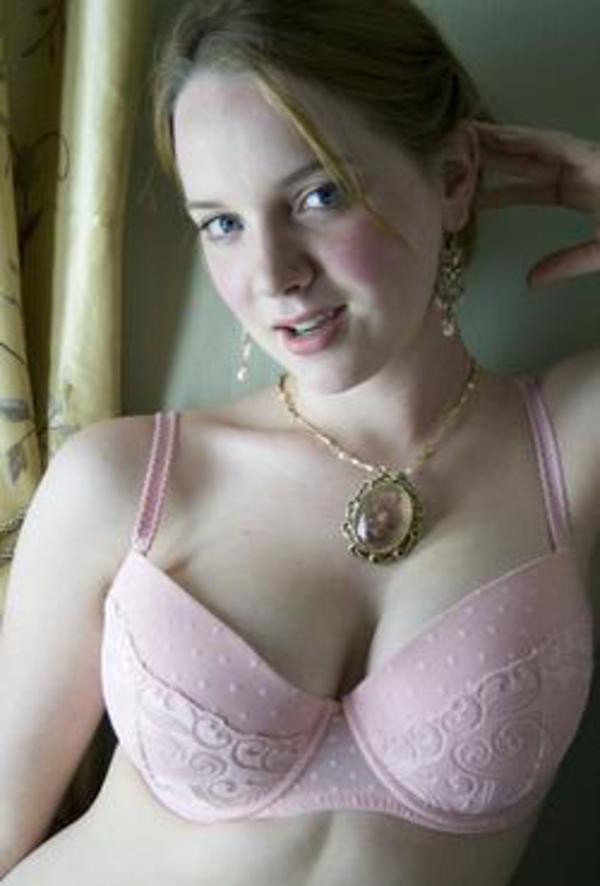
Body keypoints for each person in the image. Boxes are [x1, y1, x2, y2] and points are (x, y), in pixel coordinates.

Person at [1, 1, 599, 884]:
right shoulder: (125, 481)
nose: (273, 274)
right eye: (222, 223)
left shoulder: (571, 445)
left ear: (453, 176)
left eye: (320, 195)